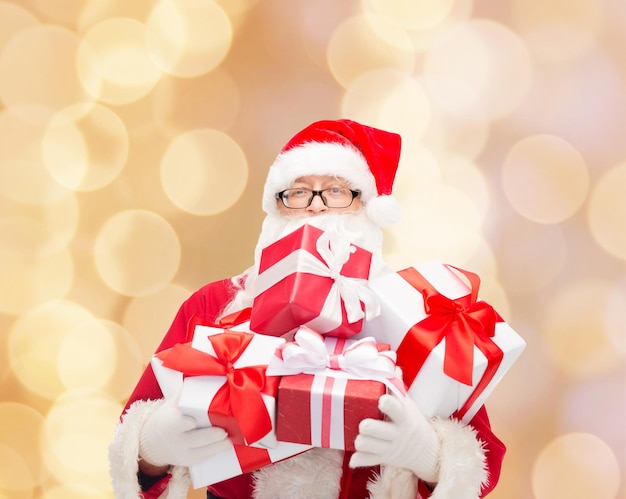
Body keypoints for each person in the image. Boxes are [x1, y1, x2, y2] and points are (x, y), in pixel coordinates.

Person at [108, 119, 506, 499]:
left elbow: (481, 461)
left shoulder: (415, 316)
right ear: (277, 208)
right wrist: (152, 448)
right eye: (299, 192)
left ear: (366, 206)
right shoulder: (216, 304)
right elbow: (132, 436)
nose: (317, 207)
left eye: (336, 190)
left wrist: (428, 454)